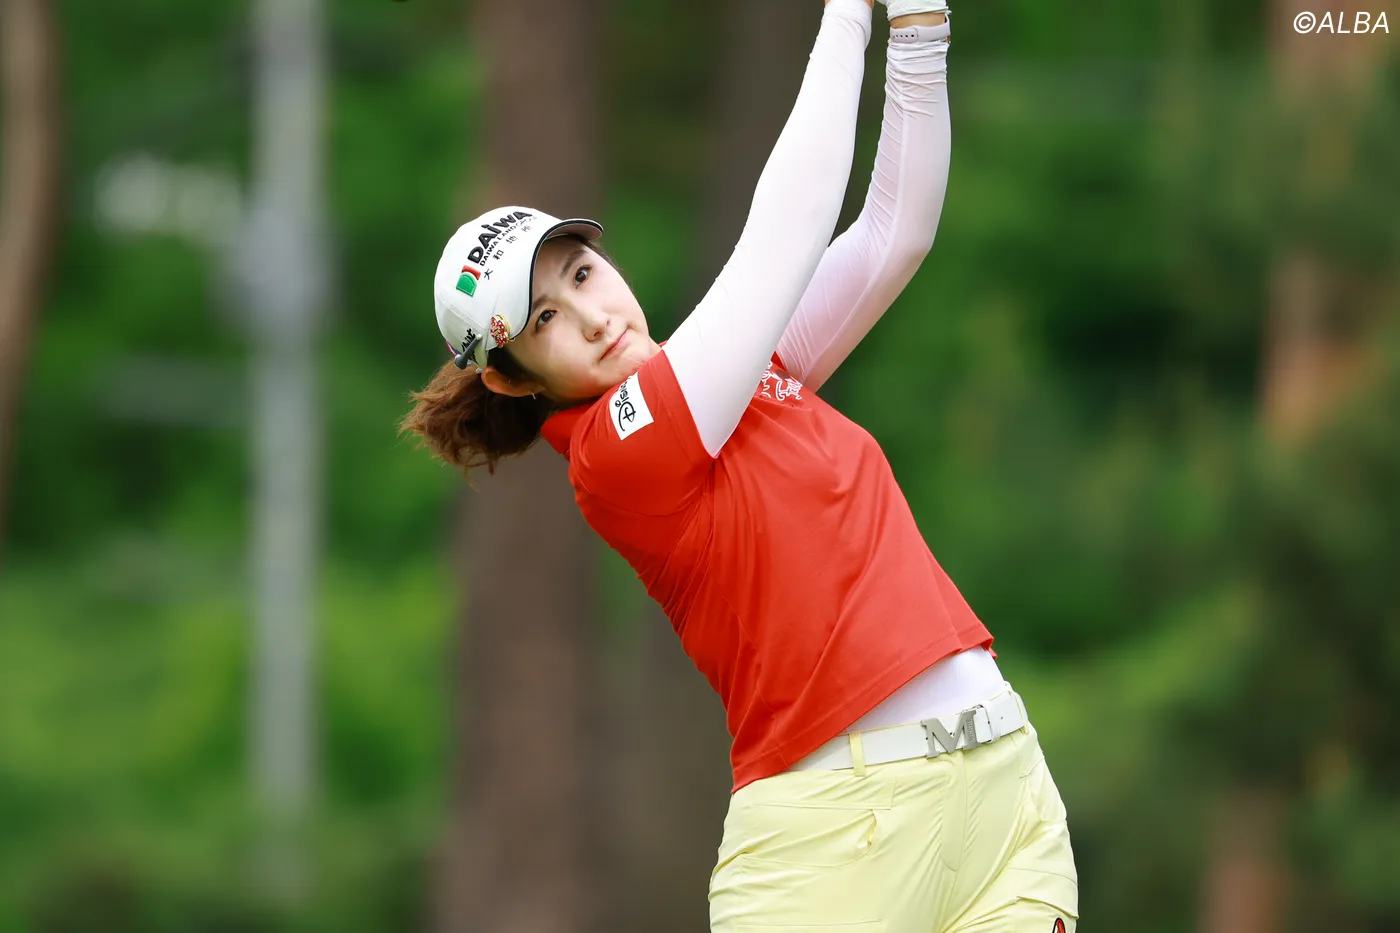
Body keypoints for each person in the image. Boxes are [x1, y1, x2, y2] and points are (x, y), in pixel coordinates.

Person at [403, 0, 1078, 929]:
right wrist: (846, 16)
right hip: (832, 842)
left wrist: (919, 26)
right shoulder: (616, 454)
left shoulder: (751, 370)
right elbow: (786, 235)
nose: (593, 317)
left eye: (583, 274)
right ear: (513, 380)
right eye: (545, 320)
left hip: (1002, 796)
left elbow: (895, 232)